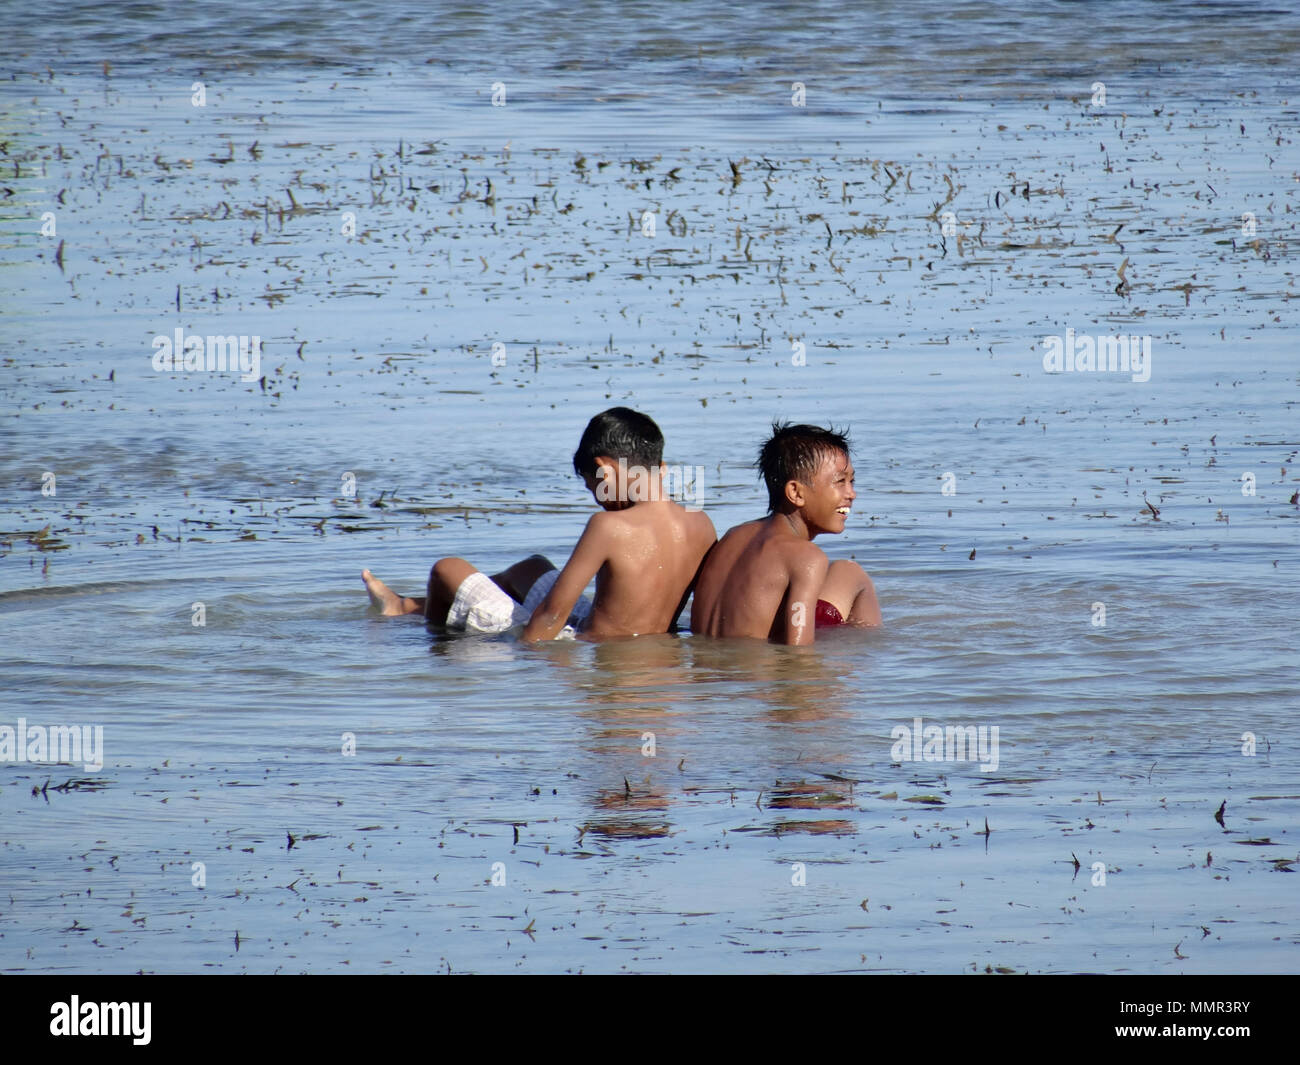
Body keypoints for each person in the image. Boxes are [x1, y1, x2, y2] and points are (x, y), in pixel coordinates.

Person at [362, 407, 717, 642]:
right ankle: (407, 606)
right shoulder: (701, 524)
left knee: (446, 568)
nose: (596, 497)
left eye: (591, 485)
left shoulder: (608, 527)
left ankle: (439, 642)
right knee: (531, 568)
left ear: (605, 470)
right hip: (622, 635)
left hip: (578, 643)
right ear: (661, 467)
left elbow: (548, 619)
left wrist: (524, 664)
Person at [690, 421, 881, 644]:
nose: (852, 493)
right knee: (852, 574)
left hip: (707, 671)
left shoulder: (733, 535)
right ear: (795, 492)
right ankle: (863, 654)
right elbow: (798, 656)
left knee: (844, 571)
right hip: (754, 675)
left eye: (852, 481)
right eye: (840, 482)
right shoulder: (807, 557)